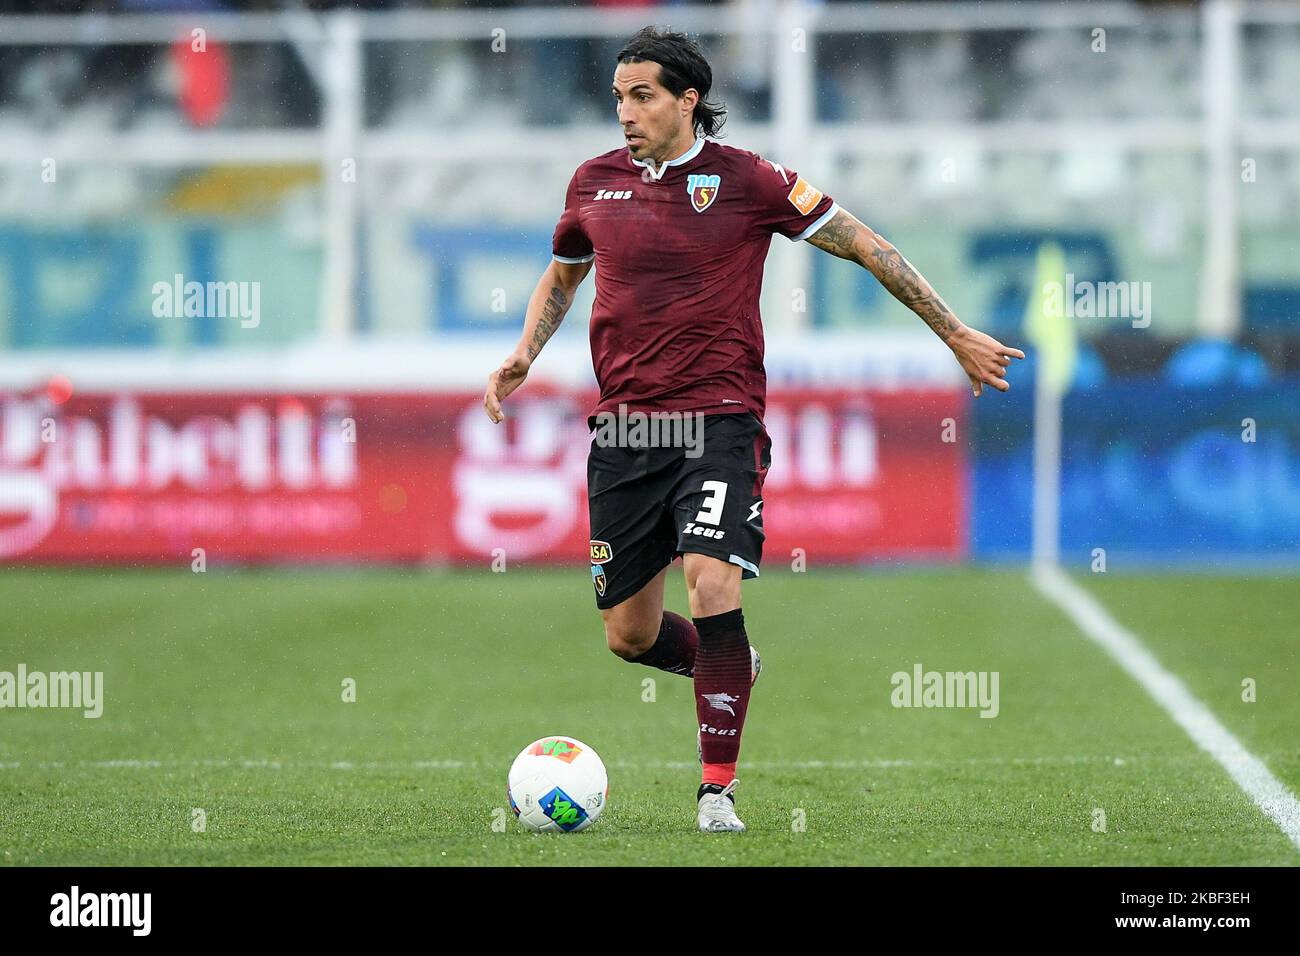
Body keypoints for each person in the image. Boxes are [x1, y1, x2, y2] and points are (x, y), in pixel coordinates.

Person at [484, 25, 1023, 833]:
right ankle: (728, 666)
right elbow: (564, 274)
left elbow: (869, 247)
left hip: (720, 421)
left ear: (688, 99)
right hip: (627, 436)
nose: (625, 113)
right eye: (618, 98)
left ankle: (715, 794)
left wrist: (953, 334)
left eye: (642, 96)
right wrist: (523, 354)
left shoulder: (750, 181)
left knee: (711, 580)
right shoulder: (593, 184)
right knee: (628, 637)